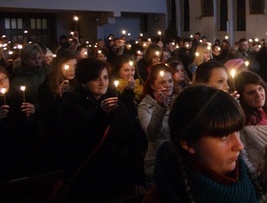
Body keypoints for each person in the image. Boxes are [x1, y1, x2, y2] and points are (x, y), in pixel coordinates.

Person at [142, 85, 262, 202]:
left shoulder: (243, 175)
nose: (239, 146)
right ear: (189, 144)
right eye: (223, 137)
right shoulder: (161, 197)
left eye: (237, 131)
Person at [59, 58, 145, 201]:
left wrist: (138, 177)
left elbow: (132, 140)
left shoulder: (116, 101)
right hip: (90, 181)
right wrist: (101, 116)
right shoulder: (71, 106)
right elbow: (79, 143)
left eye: (105, 77)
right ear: (83, 82)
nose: (102, 83)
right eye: (96, 79)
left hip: (120, 176)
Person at [38, 49, 77, 171]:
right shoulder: (46, 87)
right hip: (57, 140)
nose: (72, 69)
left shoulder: (79, 84)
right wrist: (60, 97)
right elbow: (49, 115)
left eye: (74, 65)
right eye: (68, 65)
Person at [0, 65, 40, 182]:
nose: (2, 83)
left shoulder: (20, 96)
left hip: (21, 150)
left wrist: (32, 114)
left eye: (4, 78)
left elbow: (31, 126)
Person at [235, 71, 267, 175]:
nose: (258, 95)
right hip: (261, 174)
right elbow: (243, 154)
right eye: (251, 93)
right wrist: (254, 176)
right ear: (242, 96)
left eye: (260, 89)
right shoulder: (241, 120)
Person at [138, 64, 175, 187]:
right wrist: (160, 107)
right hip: (157, 163)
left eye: (170, 81)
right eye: (162, 82)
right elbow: (151, 134)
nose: (168, 85)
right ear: (152, 85)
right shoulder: (145, 106)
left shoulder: (177, 101)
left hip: (177, 160)